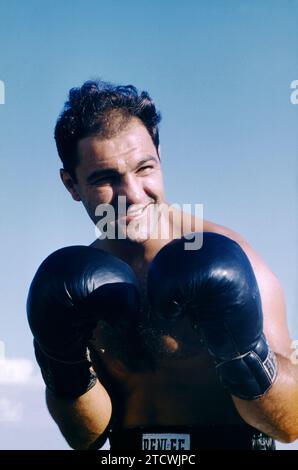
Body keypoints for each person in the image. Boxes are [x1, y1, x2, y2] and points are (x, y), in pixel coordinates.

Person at [27, 80, 298, 450]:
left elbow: (290, 425)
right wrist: (62, 365)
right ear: (71, 185)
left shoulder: (231, 258)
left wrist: (247, 358)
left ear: (161, 156)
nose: (133, 194)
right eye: (105, 179)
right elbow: (85, 438)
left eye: (144, 168)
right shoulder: (74, 285)